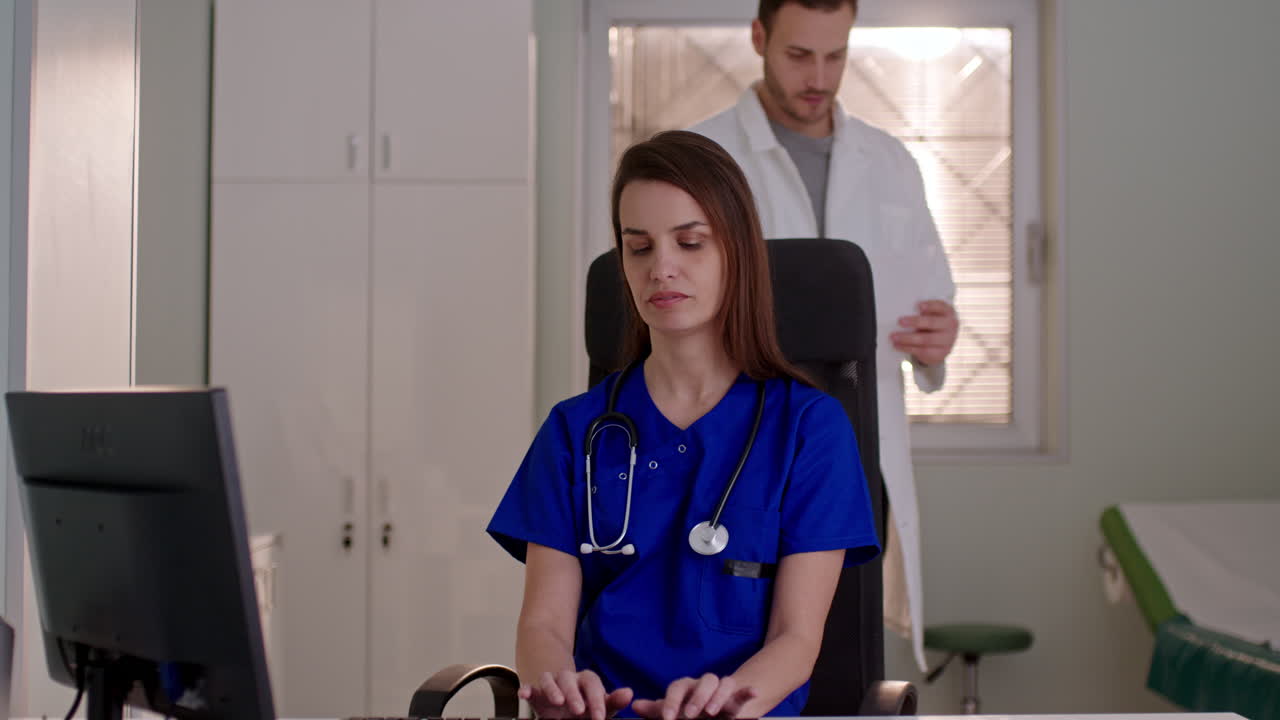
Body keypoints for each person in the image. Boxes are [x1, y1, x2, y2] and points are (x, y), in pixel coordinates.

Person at [487, 131, 880, 719]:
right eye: (639, 248)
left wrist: (729, 700)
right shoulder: (574, 432)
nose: (661, 268)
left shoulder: (807, 429)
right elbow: (543, 625)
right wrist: (559, 690)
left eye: (690, 242)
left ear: (737, 253)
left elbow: (795, 641)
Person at [689, 0, 958, 672]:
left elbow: (930, 294)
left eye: (835, 56)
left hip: (861, 433)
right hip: (744, 437)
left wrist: (938, 338)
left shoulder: (890, 161)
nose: (819, 75)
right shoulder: (703, 156)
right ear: (758, 39)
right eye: (799, 55)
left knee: (848, 644)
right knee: (738, 637)